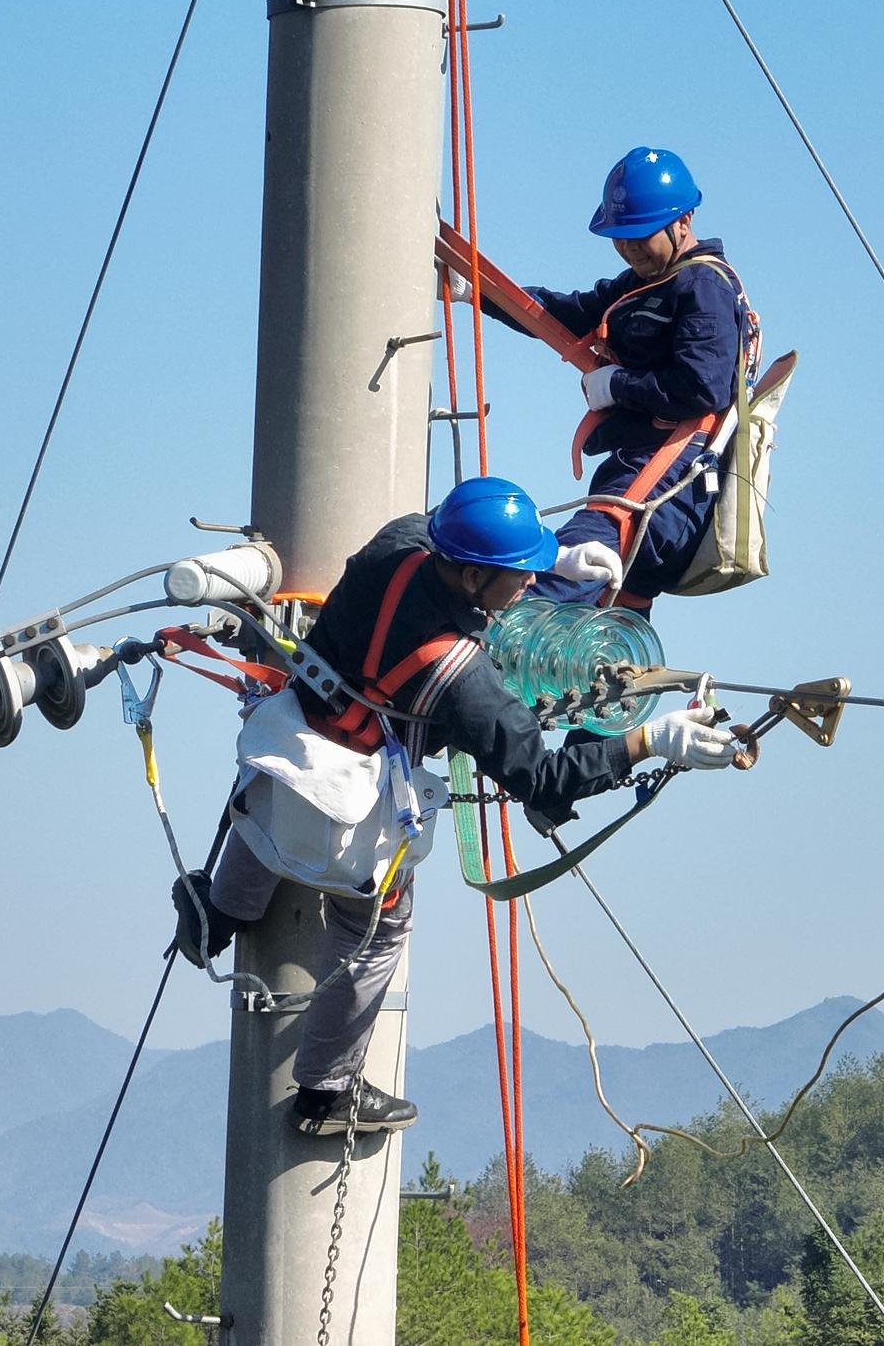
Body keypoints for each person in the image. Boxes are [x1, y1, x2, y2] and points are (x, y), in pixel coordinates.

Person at [174, 476, 748, 1136]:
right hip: (348, 794)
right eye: (520, 572)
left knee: (265, 808)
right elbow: (545, 778)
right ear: (474, 576)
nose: (531, 583)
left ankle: (217, 915)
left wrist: (557, 554)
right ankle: (326, 1095)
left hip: (287, 735)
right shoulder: (460, 675)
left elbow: (439, 523)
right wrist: (648, 741)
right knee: (379, 927)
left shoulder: (398, 544)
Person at [486, 146, 757, 611]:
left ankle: (487, 646)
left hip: (670, 475)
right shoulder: (642, 285)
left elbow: (702, 387)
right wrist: (481, 292)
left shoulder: (702, 286)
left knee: (560, 574)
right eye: (621, 238)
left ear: (683, 222)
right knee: (610, 615)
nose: (630, 249)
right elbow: (567, 312)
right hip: (643, 471)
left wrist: (617, 384)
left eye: (640, 236)